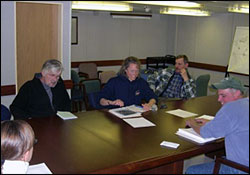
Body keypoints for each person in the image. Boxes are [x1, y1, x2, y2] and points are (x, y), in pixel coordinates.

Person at [185, 77, 249, 174]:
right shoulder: (245, 103)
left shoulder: (230, 108)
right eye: (218, 95)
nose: (219, 99)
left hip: (240, 169)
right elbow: (236, 124)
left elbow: (205, 132)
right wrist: (213, 122)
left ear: (237, 93)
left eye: (223, 95)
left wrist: (192, 124)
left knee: (191, 171)